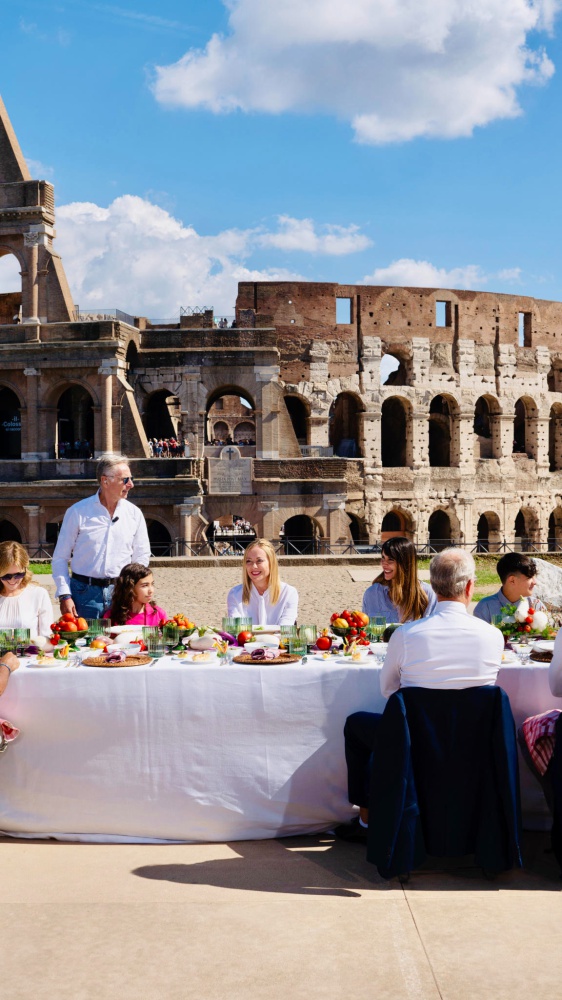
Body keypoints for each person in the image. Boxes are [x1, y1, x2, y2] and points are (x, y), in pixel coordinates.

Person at [336, 548, 504, 841]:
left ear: (434, 586)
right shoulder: (492, 636)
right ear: (468, 586)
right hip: (471, 739)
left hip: (415, 739)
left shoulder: (406, 635)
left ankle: (366, 820)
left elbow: (388, 690)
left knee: (355, 725)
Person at [52, 454, 151, 619]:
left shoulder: (134, 513)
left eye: (131, 479)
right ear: (105, 481)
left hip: (121, 592)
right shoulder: (77, 512)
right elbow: (60, 557)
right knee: (86, 643)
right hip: (84, 594)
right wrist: (65, 595)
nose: (131, 484)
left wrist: (134, 588)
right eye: (125, 480)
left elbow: (142, 555)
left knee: (123, 642)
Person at [362, 537, 437, 623]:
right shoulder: (372, 593)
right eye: (383, 557)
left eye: (390, 559)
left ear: (404, 564)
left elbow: (431, 630)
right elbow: (365, 629)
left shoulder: (427, 594)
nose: (384, 563)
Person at [226, 538, 298, 626]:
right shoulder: (235, 594)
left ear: (271, 563)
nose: (254, 566)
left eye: (259, 561)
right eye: (249, 561)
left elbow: (285, 629)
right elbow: (236, 630)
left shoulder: (288, 593)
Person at [473, 552, 547, 623]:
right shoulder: (485, 608)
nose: (534, 582)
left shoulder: (536, 606)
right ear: (512, 580)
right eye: (529, 577)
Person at [0, 541, 53, 635]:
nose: (12, 581)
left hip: (32, 650)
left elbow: (47, 637)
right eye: (6, 576)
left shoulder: (39, 594)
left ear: (25, 569)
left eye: (18, 575)